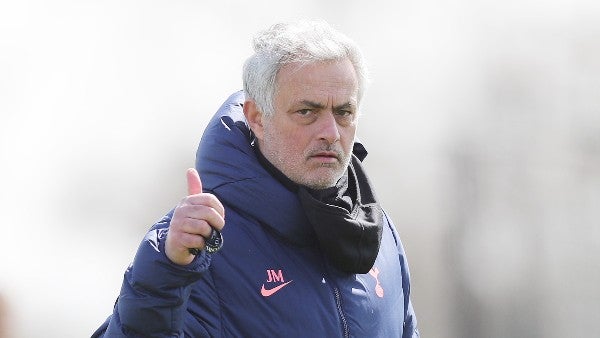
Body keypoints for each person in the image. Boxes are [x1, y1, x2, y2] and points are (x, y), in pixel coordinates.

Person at [93, 20, 419, 337]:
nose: (330, 133)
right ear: (257, 118)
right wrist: (165, 273)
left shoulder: (380, 235)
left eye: (343, 113)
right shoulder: (195, 243)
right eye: (307, 112)